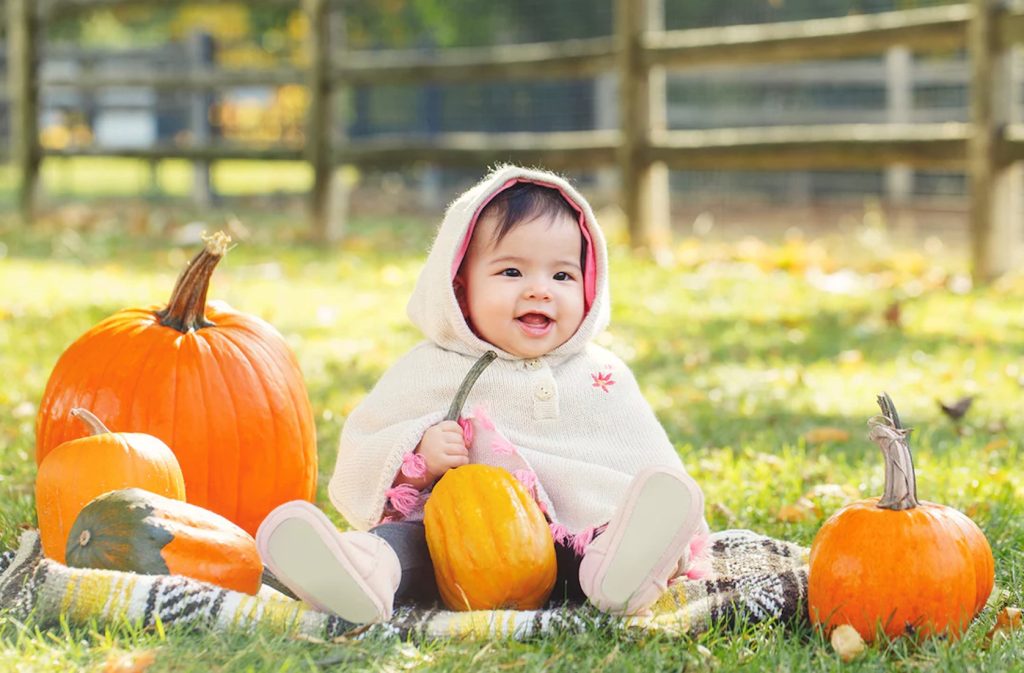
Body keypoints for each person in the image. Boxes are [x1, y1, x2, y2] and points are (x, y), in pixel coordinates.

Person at [256, 165, 707, 624]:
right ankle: (362, 571)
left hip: (571, 547)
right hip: (457, 551)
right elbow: (369, 447)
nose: (540, 290)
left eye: (562, 276)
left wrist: (672, 530)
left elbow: (641, 457)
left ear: (590, 286)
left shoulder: (599, 374)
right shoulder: (430, 368)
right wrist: (419, 455)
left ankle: (624, 572)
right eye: (512, 271)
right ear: (459, 285)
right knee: (405, 543)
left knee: (608, 529)